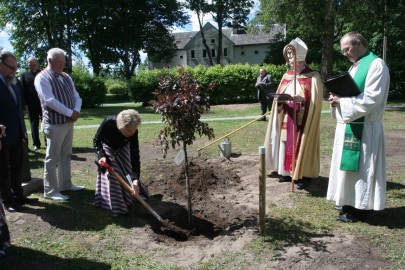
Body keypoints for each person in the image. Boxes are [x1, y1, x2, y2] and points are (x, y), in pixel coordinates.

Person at [327, 32, 390, 223]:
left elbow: (371, 99)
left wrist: (343, 101)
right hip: (351, 124)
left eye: (347, 49)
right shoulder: (356, 66)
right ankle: (348, 202)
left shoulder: (376, 64)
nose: (345, 54)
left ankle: (361, 209)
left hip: (366, 127)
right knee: (348, 168)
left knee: (363, 169)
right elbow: (350, 94)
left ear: (359, 43)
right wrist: (336, 100)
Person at [264, 37, 323, 189]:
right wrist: (280, 100)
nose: (290, 65)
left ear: (301, 62)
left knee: (300, 144)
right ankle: (286, 172)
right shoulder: (287, 76)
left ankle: (303, 175)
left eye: (293, 63)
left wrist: (301, 99)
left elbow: (314, 102)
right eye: (290, 63)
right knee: (285, 142)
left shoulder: (313, 77)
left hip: (303, 119)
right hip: (287, 116)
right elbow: (280, 93)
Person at [34, 48, 83, 201]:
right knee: (52, 157)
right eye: (59, 63)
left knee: (66, 154)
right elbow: (49, 100)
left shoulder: (66, 76)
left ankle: (66, 184)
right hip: (54, 124)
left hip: (68, 123)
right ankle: (50, 191)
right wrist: (70, 113)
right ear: (49, 61)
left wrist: (76, 110)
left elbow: (76, 96)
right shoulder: (42, 77)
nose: (62, 65)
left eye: (64, 62)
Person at [0, 51, 38, 212]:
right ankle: (7, 200)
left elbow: (19, 110)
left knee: (17, 167)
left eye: (16, 67)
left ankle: (19, 196)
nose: (15, 70)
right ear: (1, 65)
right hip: (2, 135)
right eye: (11, 67)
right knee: (3, 171)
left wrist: (23, 131)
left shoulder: (14, 82)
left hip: (17, 133)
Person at [94, 109, 149, 217]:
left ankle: (130, 196)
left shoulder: (133, 131)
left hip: (122, 147)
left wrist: (135, 180)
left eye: (134, 130)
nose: (133, 133)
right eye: (129, 131)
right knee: (114, 174)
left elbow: (134, 156)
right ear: (120, 126)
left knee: (127, 170)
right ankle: (118, 206)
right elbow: (97, 140)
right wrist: (101, 155)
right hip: (107, 146)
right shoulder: (108, 122)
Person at [20, 56, 43, 151]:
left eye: (34, 64)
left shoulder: (42, 73)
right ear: (28, 64)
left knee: (46, 123)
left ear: (37, 64)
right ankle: (36, 144)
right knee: (34, 125)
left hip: (43, 103)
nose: (33, 66)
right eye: (30, 64)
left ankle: (48, 141)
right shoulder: (24, 75)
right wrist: (25, 105)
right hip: (31, 105)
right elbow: (22, 91)